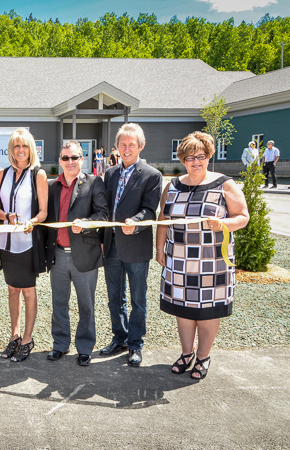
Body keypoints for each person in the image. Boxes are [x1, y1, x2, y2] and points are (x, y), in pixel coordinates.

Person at [156, 131, 249, 380]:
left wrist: (223, 224)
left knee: (208, 311)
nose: (195, 161)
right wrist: (159, 249)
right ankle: (186, 354)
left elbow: (243, 217)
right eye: (189, 157)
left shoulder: (224, 184)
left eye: (201, 156)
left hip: (212, 263)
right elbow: (162, 220)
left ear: (209, 156)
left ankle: (203, 356)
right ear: (182, 160)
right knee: (183, 310)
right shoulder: (172, 186)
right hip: (179, 260)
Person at [99, 123, 162, 367]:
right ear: (117, 147)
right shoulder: (110, 173)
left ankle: (135, 344)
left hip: (136, 245)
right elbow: (104, 209)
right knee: (115, 297)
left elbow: (149, 210)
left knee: (138, 299)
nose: (126, 149)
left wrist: (134, 222)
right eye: (122, 145)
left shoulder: (151, 175)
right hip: (111, 245)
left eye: (131, 145)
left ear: (140, 146)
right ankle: (120, 337)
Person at [45, 140, 108, 366]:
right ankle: (60, 345)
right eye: (65, 158)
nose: (70, 162)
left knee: (86, 305)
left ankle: (84, 348)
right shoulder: (52, 186)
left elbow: (103, 215)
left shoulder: (94, 183)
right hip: (58, 255)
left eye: (74, 158)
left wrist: (87, 222)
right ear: (60, 161)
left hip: (85, 255)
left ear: (82, 159)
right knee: (59, 303)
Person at [0, 128, 48, 362]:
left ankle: (27, 338)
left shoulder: (39, 175)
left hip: (27, 243)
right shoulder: (1, 174)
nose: (20, 150)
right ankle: (14, 335)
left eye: (24, 146)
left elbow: (44, 212)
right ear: (11, 150)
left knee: (28, 292)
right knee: (12, 290)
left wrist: (31, 221)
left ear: (31, 149)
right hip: (6, 243)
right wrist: (7, 216)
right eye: (16, 146)